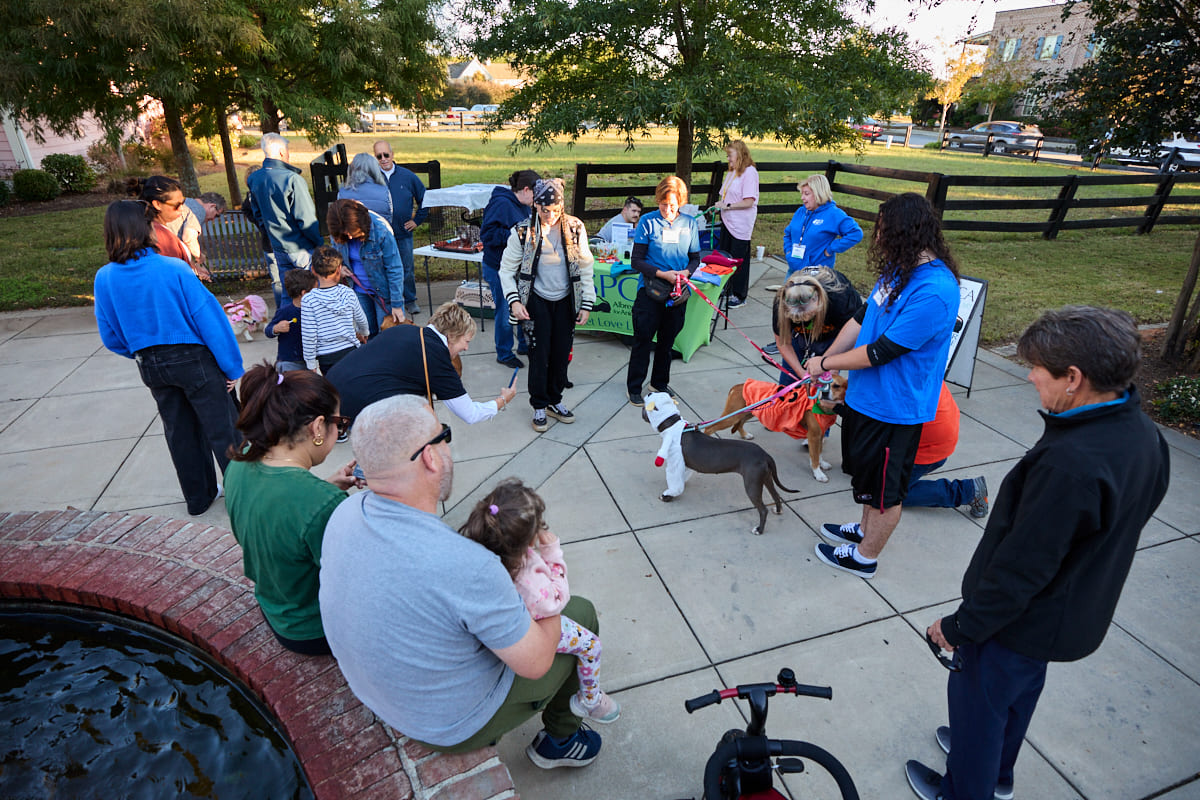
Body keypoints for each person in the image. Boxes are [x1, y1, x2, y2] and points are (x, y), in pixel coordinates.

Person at [905, 306, 1170, 800]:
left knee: (978, 707)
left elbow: (1019, 571)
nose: (1028, 376)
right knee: (1017, 697)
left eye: (1038, 370)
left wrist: (960, 627)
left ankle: (965, 787)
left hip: (1017, 623)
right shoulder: (1145, 436)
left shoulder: (1070, 465)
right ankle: (997, 771)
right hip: (1070, 614)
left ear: (1074, 378)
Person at [319, 395, 604, 766]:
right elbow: (534, 663)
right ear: (429, 457)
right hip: (449, 725)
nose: (448, 447)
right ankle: (561, 741)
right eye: (444, 435)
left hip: (376, 689)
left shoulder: (345, 511)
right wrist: (544, 591)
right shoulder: (468, 566)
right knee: (582, 614)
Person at [805, 192, 960, 579]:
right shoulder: (898, 270)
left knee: (887, 493)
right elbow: (861, 319)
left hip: (896, 408)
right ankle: (863, 528)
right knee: (868, 480)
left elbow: (881, 351)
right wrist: (822, 361)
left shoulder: (936, 290)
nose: (877, 238)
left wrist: (825, 362)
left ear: (904, 233)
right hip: (865, 399)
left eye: (883, 231)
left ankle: (865, 557)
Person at [93, 200, 242, 516]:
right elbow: (210, 320)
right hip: (195, 360)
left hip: (151, 364)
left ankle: (198, 498)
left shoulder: (105, 278)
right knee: (224, 429)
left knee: (179, 431)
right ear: (144, 229)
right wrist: (231, 367)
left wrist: (140, 349)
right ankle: (245, 495)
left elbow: (110, 335)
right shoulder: (174, 269)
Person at [224, 363, 362, 656]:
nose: (340, 429)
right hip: (312, 629)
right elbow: (359, 585)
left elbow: (279, 517)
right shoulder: (322, 505)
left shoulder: (242, 459)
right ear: (317, 427)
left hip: (273, 605)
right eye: (339, 422)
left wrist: (326, 487)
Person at [460, 478, 620, 724]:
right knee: (591, 646)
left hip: (500, 626)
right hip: (532, 628)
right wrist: (552, 553)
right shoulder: (527, 580)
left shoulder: (477, 546)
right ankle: (590, 700)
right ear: (528, 540)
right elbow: (557, 600)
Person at [823, 383, 987, 549]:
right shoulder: (902, 367)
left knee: (888, 495)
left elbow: (877, 422)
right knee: (877, 485)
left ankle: (968, 491)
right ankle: (863, 531)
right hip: (933, 435)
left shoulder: (895, 376)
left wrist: (838, 409)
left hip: (926, 445)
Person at [499, 178, 595, 433]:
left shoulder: (575, 227)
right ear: (535, 206)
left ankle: (555, 400)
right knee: (539, 356)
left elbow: (586, 265)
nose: (550, 216)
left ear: (562, 206)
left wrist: (586, 302)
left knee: (561, 354)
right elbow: (506, 270)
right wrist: (515, 300)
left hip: (565, 299)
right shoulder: (522, 232)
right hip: (536, 300)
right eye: (544, 210)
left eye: (555, 210)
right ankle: (539, 404)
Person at [326, 301, 517, 424]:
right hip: (354, 407)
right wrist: (503, 400)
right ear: (451, 336)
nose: (466, 348)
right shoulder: (436, 357)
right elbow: (471, 414)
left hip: (331, 387)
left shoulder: (404, 330)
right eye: (466, 341)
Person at [625, 175, 701, 407]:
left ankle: (659, 383)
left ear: (681, 202)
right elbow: (636, 261)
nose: (667, 209)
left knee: (667, 341)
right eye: (663, 204)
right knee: (643, 339)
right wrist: (661, 274)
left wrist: (686, 272)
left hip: (677, 292)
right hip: (650, 291)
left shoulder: (689, 223)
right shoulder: (647, 222)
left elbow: (695, 257)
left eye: (672, 205)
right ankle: (634, 386)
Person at [246, 133, 323, 298]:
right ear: (281, 152)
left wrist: (272, 233)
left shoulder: (255, 178)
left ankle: (285, 322)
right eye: (287, 150)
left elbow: (257, 213)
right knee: (312, 295)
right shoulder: (292, 179)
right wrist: (319, 243)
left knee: (289, 295)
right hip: (301, 246)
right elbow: (306, 219)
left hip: (277, 245)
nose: (289, 154)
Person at [480, 169, 539, 369]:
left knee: (524, 307)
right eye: (535, 193)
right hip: (497, 267)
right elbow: (487, 236)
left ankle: (524, 345)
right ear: (525, 189)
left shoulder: (523, 204)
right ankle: (504, 353)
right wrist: (517, 234)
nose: (537, 199)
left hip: (519, 269)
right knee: (505, 312)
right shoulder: (501, 203)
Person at [326, 198, 406, 336]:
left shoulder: (381, 231)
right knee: (366, 334)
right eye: (345, 234)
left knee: (389, 337)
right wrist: (340, 267)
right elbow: (337, 253)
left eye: (351, 232)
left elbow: (395, 269)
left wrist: (397, 304)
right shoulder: (338, 229)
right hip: (358, 291)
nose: (349, 237)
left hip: (384, 293)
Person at [771, 267, 863, 385]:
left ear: (818, 300)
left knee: (824, 383)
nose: (804, 320)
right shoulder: (781, 302)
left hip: (836, 337)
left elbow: (852, 334)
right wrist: (802, 374)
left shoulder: (840, 298)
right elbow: (784, 343)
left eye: (809, 315)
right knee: (788, 386)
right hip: (800, 337)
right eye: (797, 319)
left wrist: (828, 363)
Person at [373, 140, 428, 315]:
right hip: (380, 234)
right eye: (379, 156)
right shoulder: (372, 178)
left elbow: (425, 199)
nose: (383, 159)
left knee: (406, 269)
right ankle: (388, 301)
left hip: (403, 233)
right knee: (382, 268)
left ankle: (410, 299)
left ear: (392, 154)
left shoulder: (408, 176)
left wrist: (417, 220)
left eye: (386, 155)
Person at [302, 246, 369, 374]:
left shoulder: (308, 300)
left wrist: (310, 363)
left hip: (327, 357)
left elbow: (309, 334)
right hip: (351, 350)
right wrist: (364, 333)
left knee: (334, 389)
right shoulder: (348, 292)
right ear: (339, 269)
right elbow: (361, 319)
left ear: (313, 270)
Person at [129, 175, 211, 280]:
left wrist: (193, 269)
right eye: (177, 205)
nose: (182, 209)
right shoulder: (162, 238)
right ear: (157, 204)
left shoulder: (136, 230)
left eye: (183, 203)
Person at [782, 174, 863, 276]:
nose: (802, 198)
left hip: (817, 273)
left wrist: (831, 249)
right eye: (802, 194)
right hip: (794, 269)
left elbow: (856, 233)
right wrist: (788, 252)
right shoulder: (801, 211)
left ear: (818, 193)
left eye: (806, 194)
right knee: (786, 292)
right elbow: (788, 233)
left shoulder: (834, 214)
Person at [713, 140, 759, 308]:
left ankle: (739, 295)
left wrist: (728, 206)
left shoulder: (750, 173)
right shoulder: (732, 171)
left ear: (739, 154)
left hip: (741, 223)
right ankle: (726, 289)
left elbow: (748, 201)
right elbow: (724, 195)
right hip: (727, 220)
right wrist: (719, 206)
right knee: (725, 256)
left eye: (729, 155)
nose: (728, 158)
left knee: (738, 259)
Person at [265, 268, 317, 372]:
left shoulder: (315, 310)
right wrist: (276, 328)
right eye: (315, 290)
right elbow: (268, 330)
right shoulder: (284, 312)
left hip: (309, 361)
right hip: (289, 361)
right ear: (304, 293)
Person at [336, 152, 394, 219]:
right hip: (380, 228)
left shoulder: (342, 193)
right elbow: (390, 215)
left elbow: (338, 219)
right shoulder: (385, 191)